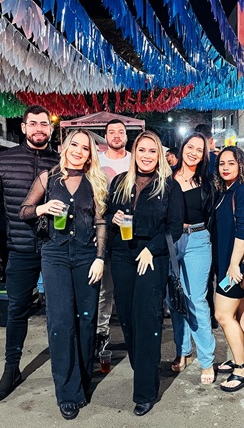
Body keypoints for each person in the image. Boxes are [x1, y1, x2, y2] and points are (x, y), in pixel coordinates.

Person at [20, 129, 108, 420]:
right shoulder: (48, 178)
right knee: (60, 322)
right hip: (55, 255)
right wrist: (42, 207)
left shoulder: (95, 181)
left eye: (85, 148)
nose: (79, 151)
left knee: (86, 320)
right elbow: (24, 211)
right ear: (65, 147)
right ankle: (67, 393)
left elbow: (100, 222)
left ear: (90, 155)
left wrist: (100, 258)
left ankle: (82, 381)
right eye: (75, 145)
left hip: (86, 257)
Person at [0, 105, 59, 403]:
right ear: (23, 127)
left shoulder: (61, 160)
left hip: (55, 249)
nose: (39, 128)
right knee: (16, 310)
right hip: (21, 248)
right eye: (33, 123)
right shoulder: (4, 161)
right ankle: (11, 369)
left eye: (44, 124)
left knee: (60, 310)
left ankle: (65, 367)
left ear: (50, 128)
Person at [108, 130, 183, 416]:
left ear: (160, 155)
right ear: (134, 153)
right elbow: (108, 216)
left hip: (152, 255)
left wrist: (152, 248)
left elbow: (174, 228)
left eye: (153, 151)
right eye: (142, 150)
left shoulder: (169, 185)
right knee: (127, 318)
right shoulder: (120, 182)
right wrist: (114, 218)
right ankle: (142, 368)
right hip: (122, 253)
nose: (147, 156)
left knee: (147, 318)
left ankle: (145, 392)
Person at [211, 146, 244, 392]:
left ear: (242, 164)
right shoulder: (228, 190)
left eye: (231, 163)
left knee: (223, 315)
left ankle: (242, 369)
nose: (225, 167)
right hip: (228, 261)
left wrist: (233, 264)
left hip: (235, 263)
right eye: (222, 163)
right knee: (240, 312)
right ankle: (239, 356)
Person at [169, 132, 216, 384]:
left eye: (199, 149)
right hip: (171, 240)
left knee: (196, 299)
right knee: (175, 298)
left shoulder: (207, 181)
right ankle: (183, 350)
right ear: (182, 147)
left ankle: (206, 360)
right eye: (190, 147)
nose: (194, 152)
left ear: (204, 155)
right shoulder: (166, 178)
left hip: (197, 239)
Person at [96, 119, 132, 357]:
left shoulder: (135, 159)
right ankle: (101, 333)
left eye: (121, 131)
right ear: (106, 136)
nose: (116, 135)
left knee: (128, 287)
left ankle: (133, 333)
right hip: (103, 228)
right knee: (103, 288)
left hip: (130, 229)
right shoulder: (96, 161)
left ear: (126, 136)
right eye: (112, 132)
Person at [194, 123, 218, 329]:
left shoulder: (213, 164)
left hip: (205, 229)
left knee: (205, 278)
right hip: (213, 228)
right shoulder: (217, 162)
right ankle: (213, 315)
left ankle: (210, 315)